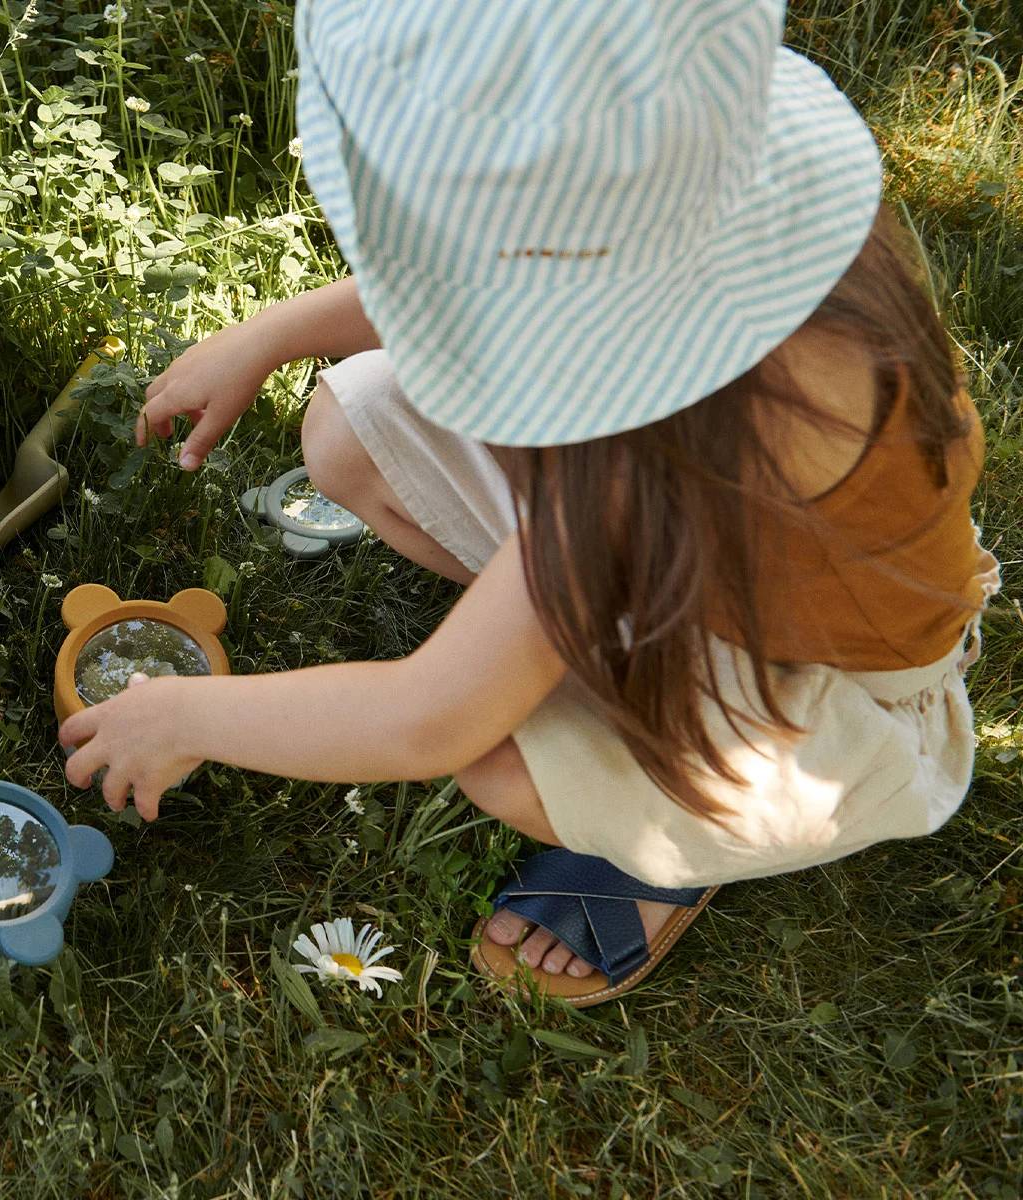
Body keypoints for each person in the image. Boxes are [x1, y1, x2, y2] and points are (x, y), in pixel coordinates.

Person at [61, 0, 999, 1007]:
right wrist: (275, 333)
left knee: (500, 762)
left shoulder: (656, 450)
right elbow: (489, 274)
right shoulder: (743, 229)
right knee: (351, 430)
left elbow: (424, 724)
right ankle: (568, 651)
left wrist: (183, 714)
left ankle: (659, 848)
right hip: (704, 565)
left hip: (826, 692)